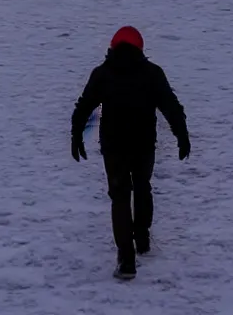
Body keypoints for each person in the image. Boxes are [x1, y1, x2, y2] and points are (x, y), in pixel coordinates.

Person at [70, 25, 191, 280]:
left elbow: (85, 107)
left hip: (114, 147)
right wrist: (182, 135)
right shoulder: (152, 73)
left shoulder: (103, 73)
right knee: (143, 186)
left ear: (113, 47)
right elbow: (171, 106)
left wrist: (77, 136)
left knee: (120, 197)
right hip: (143, 145)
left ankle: (126, 260)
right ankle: (143, 239)